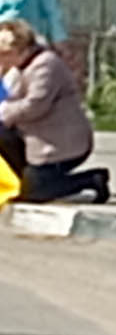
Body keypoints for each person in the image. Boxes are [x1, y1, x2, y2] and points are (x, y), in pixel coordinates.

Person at [0, 20, 108, 203]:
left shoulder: (46, 65)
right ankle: (22, 176)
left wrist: (4, 110)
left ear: (19, 50)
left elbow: (35, 105)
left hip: (60, 144)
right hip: (34, 140)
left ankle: (91, 180)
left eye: (5, 54)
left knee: (33, 191)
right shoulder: (19, 69)